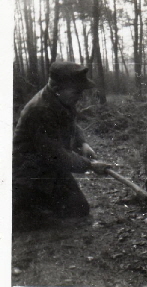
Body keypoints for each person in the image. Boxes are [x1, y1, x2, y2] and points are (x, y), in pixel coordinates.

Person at [13, 61, 112, 230]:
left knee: (78, 209)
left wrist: (83, 144)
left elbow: (71, 124)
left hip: (50, 168)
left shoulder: (61, 101)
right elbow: (56, 155)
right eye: (76, 91)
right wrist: (91, 165)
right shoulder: (40, 110)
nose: (80, 96)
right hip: (29, 175)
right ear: (58, 89)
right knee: (30, 221)